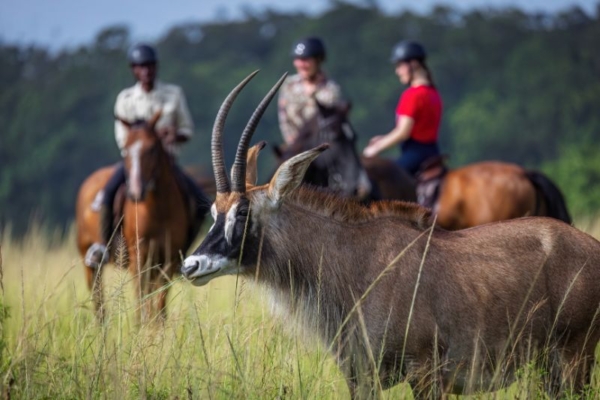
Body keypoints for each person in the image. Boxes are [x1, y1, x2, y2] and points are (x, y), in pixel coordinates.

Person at [85, 43, 209, 268]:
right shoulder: (126, 99)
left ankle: (184, 255)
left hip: (167, 165)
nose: (146, 71)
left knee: (202, 203)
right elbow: (123, 139)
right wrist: (143, 145)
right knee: (109, 192)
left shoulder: (173, 95)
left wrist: (173, 135)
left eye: (150, 66)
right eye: (141, 67)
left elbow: (186, 129)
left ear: (156, 67)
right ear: (133, 69)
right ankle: (104, 245)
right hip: (134, 164)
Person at [363, 40, 442, 177]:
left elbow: (403, 132)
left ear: (414, 64)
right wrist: (384, 138)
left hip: (415, 155)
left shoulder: (412, 95)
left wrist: (375, 148)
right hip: (433, 152)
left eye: (400, 65)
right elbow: (417, 130)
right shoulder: (434, 93)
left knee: (381, 181)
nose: (397, 71)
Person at [278, 37, 345, 145]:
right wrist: (293, 143)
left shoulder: (331, 89)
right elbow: (284, 119)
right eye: (298, 60)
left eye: (306, 60)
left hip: (323, 146)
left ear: (318, 60)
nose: (301, 65)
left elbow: (333, 123)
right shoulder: (288, 86)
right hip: (295, 145)